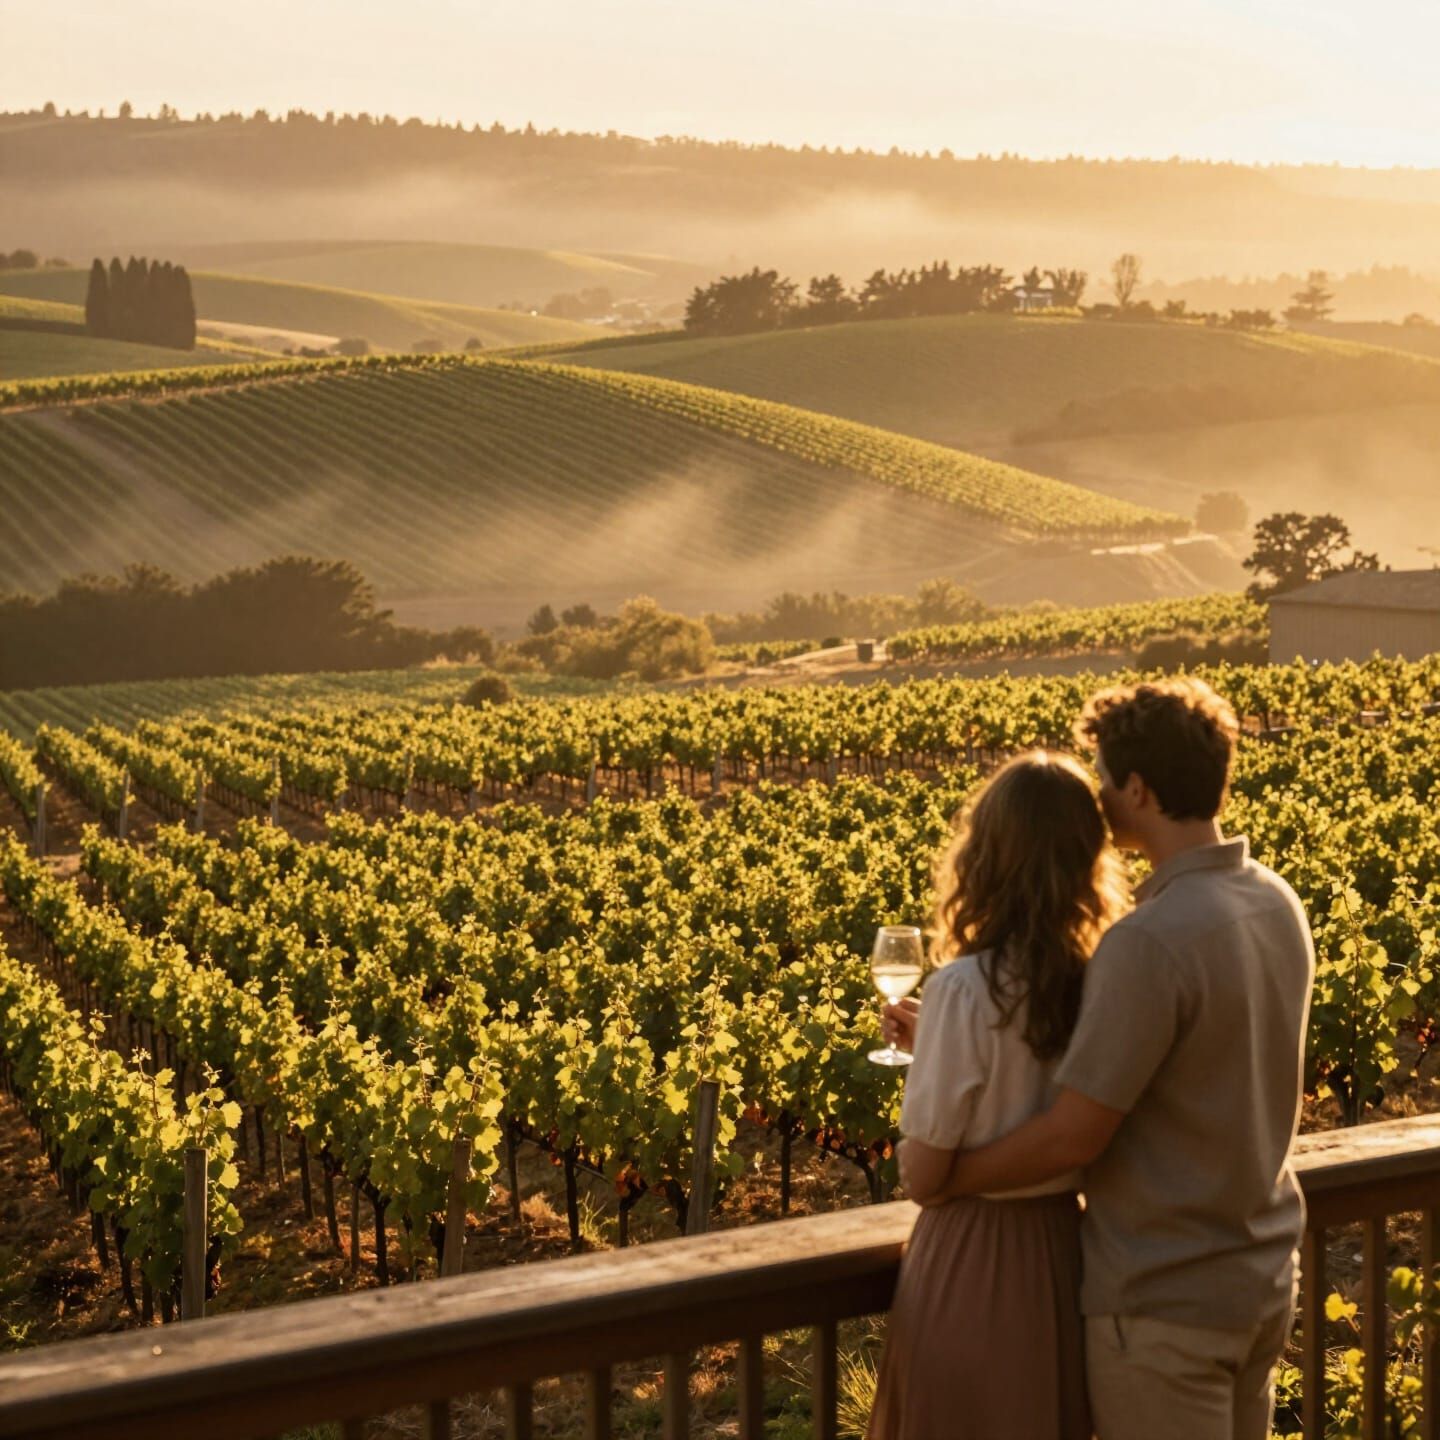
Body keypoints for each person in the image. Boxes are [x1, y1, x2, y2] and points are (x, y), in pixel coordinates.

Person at [886, 677, 1315, 1440]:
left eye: (1109, 783)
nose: (1102, 803)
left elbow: (1074, 1135)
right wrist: (950, 1041)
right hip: (1261, 1279)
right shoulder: (1275, 903)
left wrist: (947, 1178)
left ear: (1140, 788)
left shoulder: (1147, 942)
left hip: (1163, 1302)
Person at [867, 749, 1129, 1440]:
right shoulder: (1104, 980)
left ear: (984, 857)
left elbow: (924, 1175)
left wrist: (938, 1058)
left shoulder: (961, 988)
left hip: (970, 1264)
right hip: (1063, 1259)